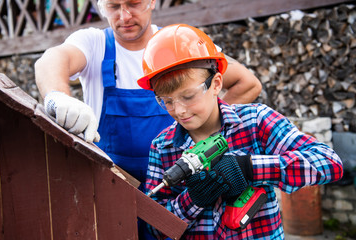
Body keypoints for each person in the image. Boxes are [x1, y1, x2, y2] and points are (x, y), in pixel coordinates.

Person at [137, 24, 344, 239]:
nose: (179, 110)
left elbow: (329, 163)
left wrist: (249, 168)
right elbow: (156, 227)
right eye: (167, 101)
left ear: (216, 83)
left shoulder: (255, 122)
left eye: (188, 96)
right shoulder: (163, 147)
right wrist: (193, 199)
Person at [35, 0, 261, 185]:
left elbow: (247, 83)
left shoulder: (178, 43)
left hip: (179, 183)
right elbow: (50, 61)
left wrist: (209, 136)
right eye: (114, 7)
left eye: (133, 3)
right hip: (111, 183)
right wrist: (58, 97)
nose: (124, 16)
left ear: (152, 2)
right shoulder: (94, 44)